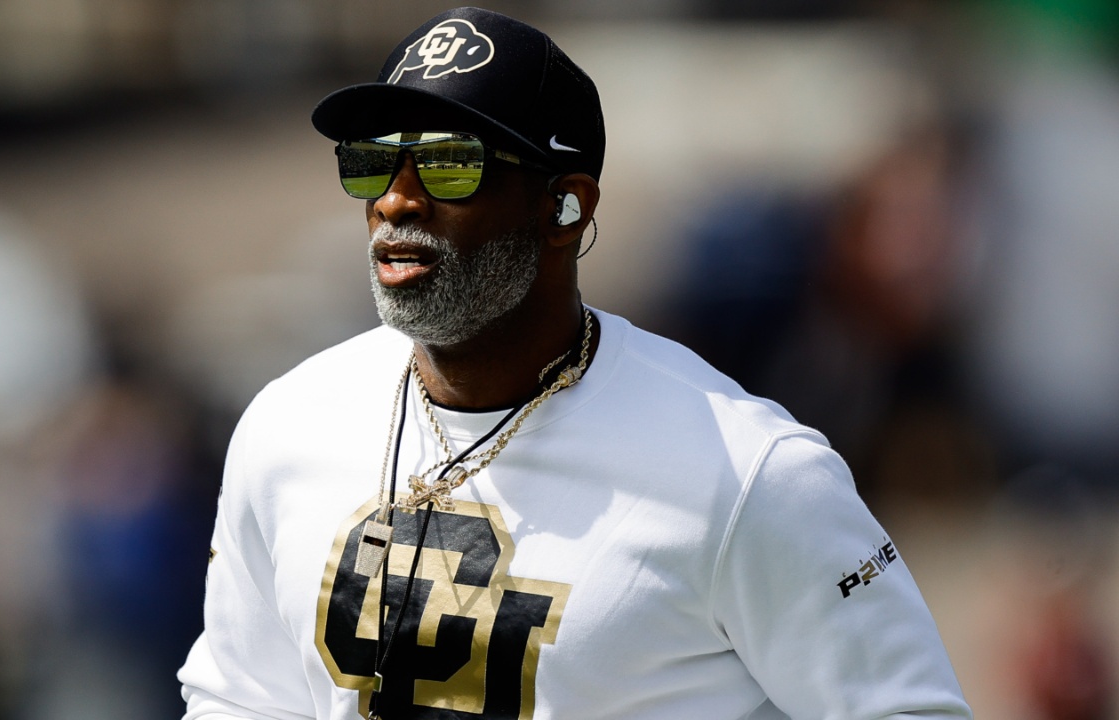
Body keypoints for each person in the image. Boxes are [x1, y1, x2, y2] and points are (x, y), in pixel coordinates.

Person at [177, 7, 973, 719]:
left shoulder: (746, 473)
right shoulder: (288, 426)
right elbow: (241, 698)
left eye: (451, 162)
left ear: (566, 207)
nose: (395, 199)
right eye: (372, 161)